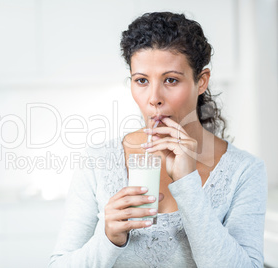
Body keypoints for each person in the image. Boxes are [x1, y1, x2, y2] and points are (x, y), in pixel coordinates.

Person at [49, 12, 267, 267]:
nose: (154, 98)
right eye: (141, 80)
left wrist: (188, 186)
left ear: (202, 81)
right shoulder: (98, 160)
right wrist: (108, 239)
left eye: (171, 80)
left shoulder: (245, 171)